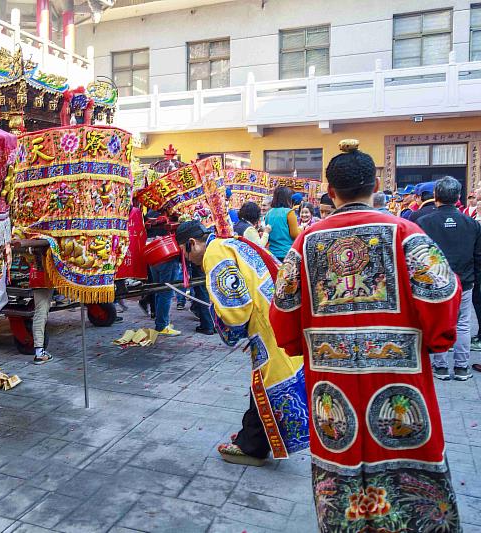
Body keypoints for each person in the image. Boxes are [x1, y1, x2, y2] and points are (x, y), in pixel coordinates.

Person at [269, 140, 462, 532]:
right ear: (375, 183)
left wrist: (297, 345)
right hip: (398, 374)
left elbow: (283, 308)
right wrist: (436, 340)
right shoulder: (405, 234)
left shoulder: (308, 242)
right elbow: (442, 294)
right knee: (407, 444)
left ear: (331, 191)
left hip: (331, 376)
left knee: (339, 452)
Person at [177, 220, 308, 466]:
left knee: (266, 383)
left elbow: (235, 307)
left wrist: (228, 324)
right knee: (262, 384)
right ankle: (254, 437)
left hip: (266, 322)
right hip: (274, 313)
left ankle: (253, 445)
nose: (189, 261)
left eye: (185, 252)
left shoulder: (215, 254)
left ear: (191, 244)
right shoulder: (229, 243)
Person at [417, 176, 481, 380]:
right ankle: (462, 367)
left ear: (436, 196)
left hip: (435, 281)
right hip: (465, 279)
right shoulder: (471, 224)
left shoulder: (424, 222)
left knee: (438, 321)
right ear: (458, 197)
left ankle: (441, 366)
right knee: (463, 323)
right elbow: (478, 256)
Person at [265, 186, 300, 261]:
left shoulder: (269, 213)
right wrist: (301, 229)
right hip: (286, 253)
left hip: (272, 253)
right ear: (288, 198)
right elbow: (294, 234)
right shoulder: (289, 213)